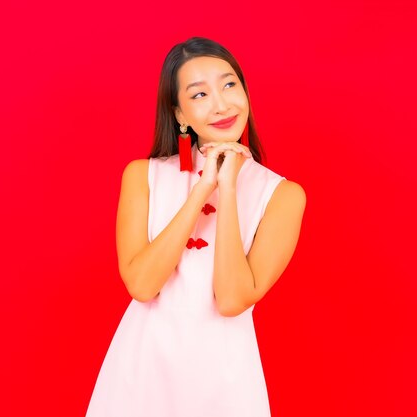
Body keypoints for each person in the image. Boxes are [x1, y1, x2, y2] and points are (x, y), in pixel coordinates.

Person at [85, 36, 306, 417]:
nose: (221, 104)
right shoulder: (144, 176)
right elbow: (142, 285)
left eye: (229, 84)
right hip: (141, 372)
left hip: (225, 381)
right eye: (199, 95)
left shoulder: (283, 195)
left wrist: (230, 187)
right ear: (180, 115)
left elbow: (232, 300)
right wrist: (203, 187)